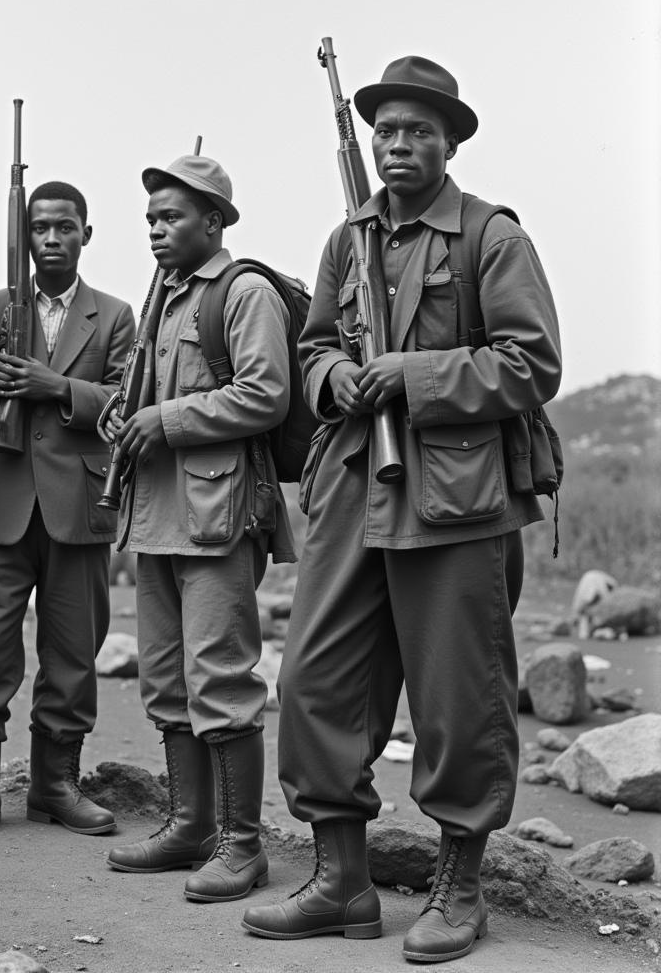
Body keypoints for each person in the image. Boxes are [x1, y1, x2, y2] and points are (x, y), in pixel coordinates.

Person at [241, 56, 562, 963]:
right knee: (316, 681)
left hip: (458, 497)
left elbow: (531, 364)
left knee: (462, 696)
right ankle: (341, 882)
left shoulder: (490, 236)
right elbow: (309, 350)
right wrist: (335, 374)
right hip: (351, 485)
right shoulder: (347, 241)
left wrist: (410, 376)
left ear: (450, 142)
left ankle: (461, 891)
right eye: (385, 131)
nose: (397, 145)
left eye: (417, 130)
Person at [103, 155, 296, 903]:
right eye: (150, 218)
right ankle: (189, 826)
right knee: (166, 681)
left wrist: (167, 418)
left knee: (221, 680)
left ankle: (241, 847)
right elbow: (147, 402)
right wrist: (126, 415)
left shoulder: (242, 291)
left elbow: (266, 393)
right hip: (156, 517)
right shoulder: (164, 299)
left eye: (172, 217)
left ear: (213, 222)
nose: (156, 229)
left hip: (218, 517)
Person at [0, 181, 136, 842]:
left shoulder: (116, 313)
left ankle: (55, 787)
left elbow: (128, 402)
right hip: (2, 501)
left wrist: (58, 388)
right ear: (25, 236)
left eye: (65, 227)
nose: (52, 239)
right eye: (40, 228)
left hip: (80, 503)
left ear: (86, 234)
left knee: (74, 650)